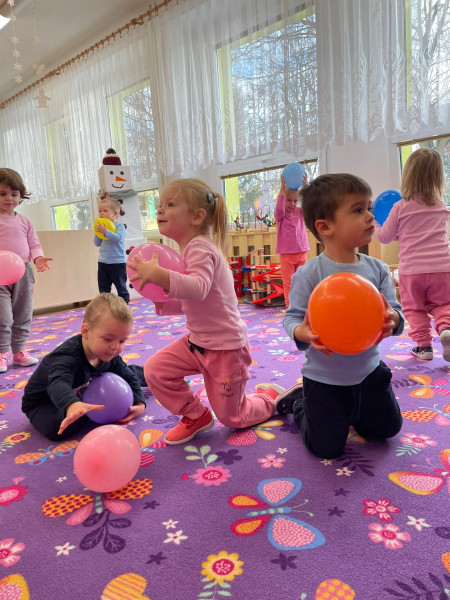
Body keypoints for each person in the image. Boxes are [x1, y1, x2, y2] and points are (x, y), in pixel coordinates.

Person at [126, 178, 284, 445]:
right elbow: (197, 301)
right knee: (155, 370)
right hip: (197, 343)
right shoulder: (187, 249)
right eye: (161, 204)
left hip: (225, 348)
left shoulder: (200, 247)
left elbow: (198, 288)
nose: (160, 210)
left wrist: (161, 276)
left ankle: (271, 399)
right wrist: (165, 303)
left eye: (170, 204)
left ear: (197, 216)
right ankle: (195, 415)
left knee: (233, 417)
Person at [279, 173, 404, 459]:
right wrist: (302, 332)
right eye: (358, 210)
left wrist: (393, 319)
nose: (370, 216)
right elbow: (291, 318)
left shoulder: (378, 270)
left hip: (369, 372)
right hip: (324, 380)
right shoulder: (308, 274)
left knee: (386, 430)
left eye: (369, 207)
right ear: (325, 226)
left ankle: (354, 413)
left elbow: (395, 311)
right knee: (325, 449)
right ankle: (299, 402)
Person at [22, 293, 146, 440]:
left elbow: (129, 377)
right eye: (108, 339)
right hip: (44, 401)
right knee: (59, 428)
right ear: (85, 331)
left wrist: (139, 403)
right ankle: (80, 406)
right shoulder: (67, 358)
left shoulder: (107, 353)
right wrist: (72, 404)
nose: (115, 347)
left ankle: (149, 373)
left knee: (126, 374)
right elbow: (57, 384)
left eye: (122, 341)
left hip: (84, 385)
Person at [374, 148, 450, 362]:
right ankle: (446, 328)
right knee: (443, 304)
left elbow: (385, 237)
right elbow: (424, 233)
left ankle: (424, 347)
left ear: (407, 176)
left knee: (414, 308)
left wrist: (376, 223)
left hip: (412, 270)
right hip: (442, 267)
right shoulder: (441, 205)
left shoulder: (400, 206)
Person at [0, 168, 52, 373]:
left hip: (23, 273)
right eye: (2, 193)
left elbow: (34, 244)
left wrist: (38, 258)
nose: (9, 198)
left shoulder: (25, 222)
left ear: (21, 196)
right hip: (0, 276)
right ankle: (2, 352)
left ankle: (19, 351)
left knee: (23, 314)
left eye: (14, 194)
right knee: (3, 316)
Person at [274, 174, 310, 307]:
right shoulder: (280, 216)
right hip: (287, 255)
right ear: (283, 200)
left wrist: (306, 187)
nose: (292, 204)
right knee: (288, 283)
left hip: (301, 253)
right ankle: (290, 308)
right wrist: (282, 189)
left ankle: (304, 306)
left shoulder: (300, 213)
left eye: (295, 201)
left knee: (303, 282)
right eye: (289, 200)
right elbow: (279, 208)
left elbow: (309, 205)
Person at [94, 194, 130, 304]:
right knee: (103, 290)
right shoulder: (101, 226)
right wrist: (98, 233)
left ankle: (125, 308)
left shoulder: (119, 226)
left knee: (121, 288)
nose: (101, 213)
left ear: (115, 213)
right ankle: (106, 309)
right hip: (103, 262)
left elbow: (118, 238)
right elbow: (97, 243)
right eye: (100, 211)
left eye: (105, 211)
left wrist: (106, 232)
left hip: (117, 263)